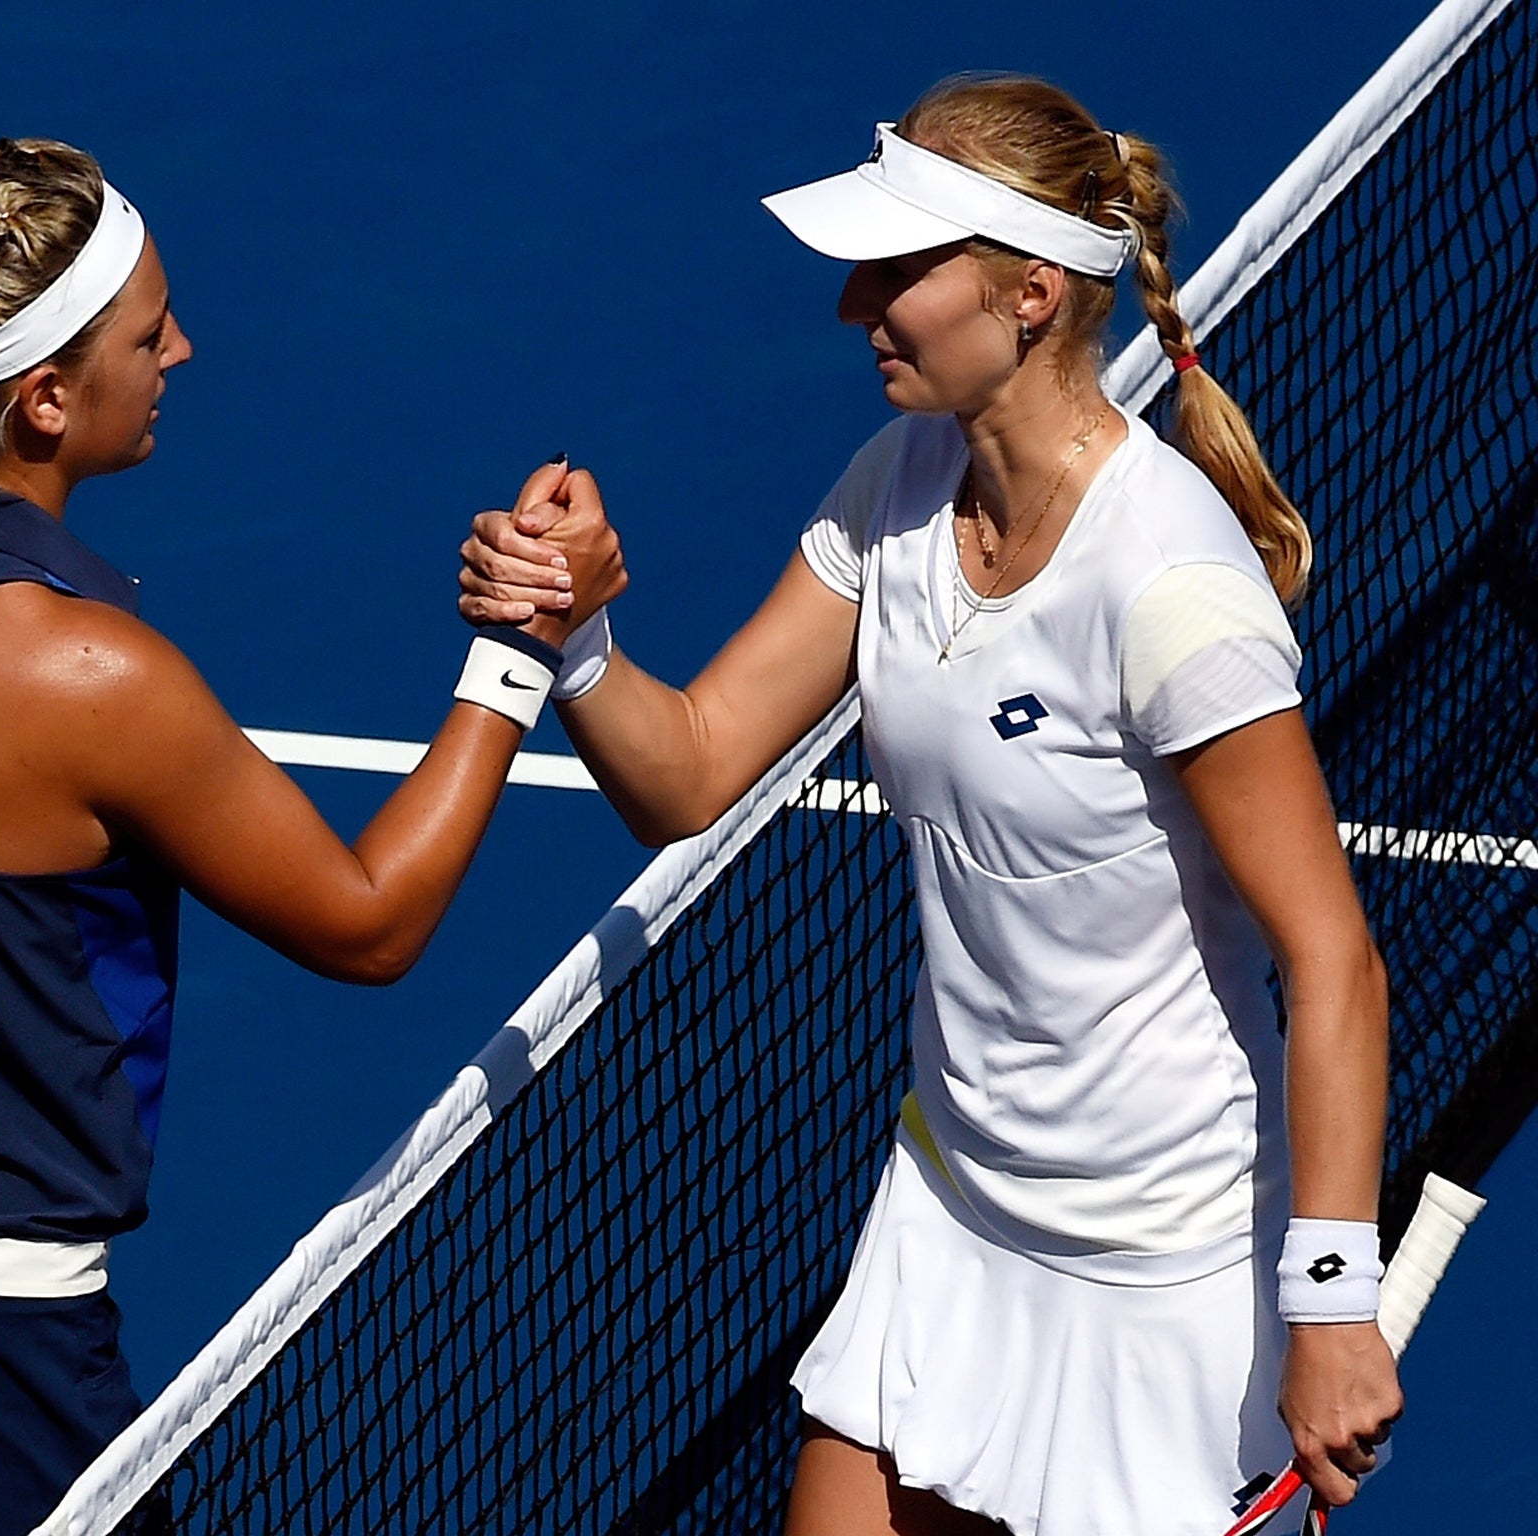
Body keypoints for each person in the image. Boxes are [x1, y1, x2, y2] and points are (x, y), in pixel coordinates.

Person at [0, 137, 622, 1536]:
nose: (184, 350)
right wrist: (520, 653)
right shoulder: (87, 676)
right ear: (44, 399)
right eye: (151, 333)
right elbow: (369, 919)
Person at [459, 76, 1401, 1536]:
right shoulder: (898, 485)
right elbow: (694, 767)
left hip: (1168, 1271)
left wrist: (1332, 1301)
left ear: (1031, 295)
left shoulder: (1171, 587)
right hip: (955, 1206)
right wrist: (577, 642)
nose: (855, 307)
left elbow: (1333, 957)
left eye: (898, 272)